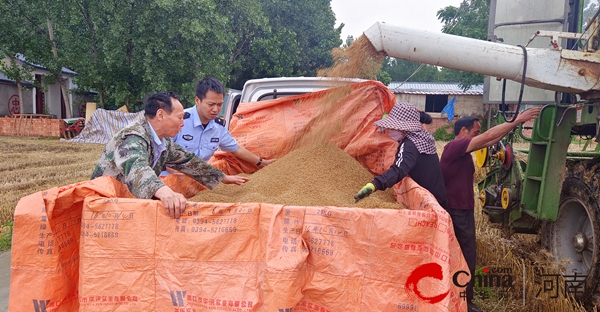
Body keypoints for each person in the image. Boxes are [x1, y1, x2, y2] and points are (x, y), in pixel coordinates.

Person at [439, 106, 541, 312]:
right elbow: (487, 136)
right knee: (466, 256)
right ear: (464, 131)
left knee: (464, 256)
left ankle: (460, 299)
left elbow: (490, 140)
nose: (478, 134)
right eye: (475, 131)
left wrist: (512, 128)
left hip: (462, 210)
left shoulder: (462, 151)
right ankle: (465, 303)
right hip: (457, 211)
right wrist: (517, 120)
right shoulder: (455, 147)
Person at [91, 91, 249, 219]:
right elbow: (137, 167)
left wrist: (221, 177)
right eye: (180, 118)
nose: (183, 123)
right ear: (160, 115)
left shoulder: (162, 141)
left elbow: (187, 160)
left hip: (129, 206)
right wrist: (165, 192)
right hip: (106, 210)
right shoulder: (133, 137)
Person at [165, 77, 274, 175]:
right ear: (197, 100)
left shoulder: (218, 127)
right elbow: (159, 151)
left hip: (197, 180)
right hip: (169, 180)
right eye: (211, 104)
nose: (216, 109)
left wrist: (262, 162)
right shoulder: (181, 120)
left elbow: (236, 149)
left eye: (219, 104)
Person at [354, 102, 447, 209]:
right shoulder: (423, 137)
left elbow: (398, 170)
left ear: (403, 129)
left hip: (428, 204)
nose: (389, 131)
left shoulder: (410, 145)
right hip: (437, 198)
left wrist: (375, 184)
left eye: (393, 128)